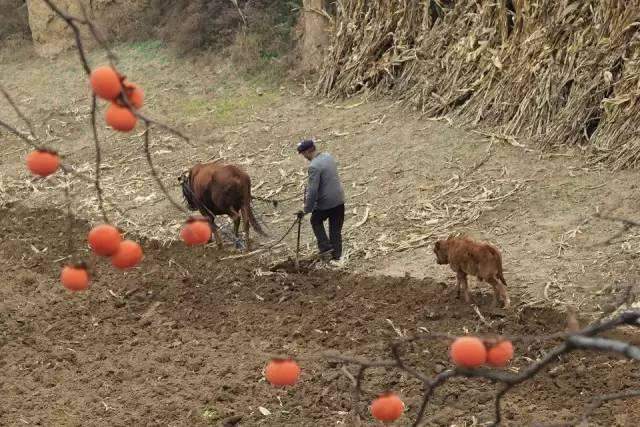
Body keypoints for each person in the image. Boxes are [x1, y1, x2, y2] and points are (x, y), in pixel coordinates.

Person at [296, 139, 345, 261]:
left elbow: (312, 191)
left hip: (326, 203)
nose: (304, 157)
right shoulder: (328, 156)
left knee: (315, 220)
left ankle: (325, 248)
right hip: (339, 201)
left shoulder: (314, 166)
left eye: (303, 154)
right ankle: (337, 256)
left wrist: (307, 208)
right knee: (335, 230)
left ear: (308, 152)